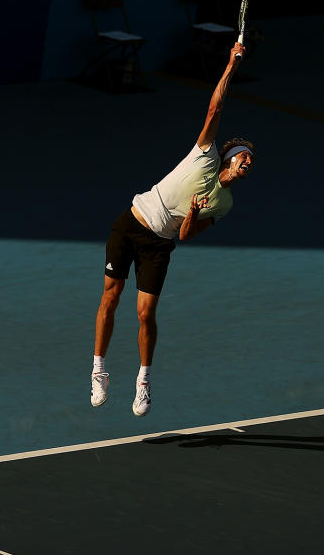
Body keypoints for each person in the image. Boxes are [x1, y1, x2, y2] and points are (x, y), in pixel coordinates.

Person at [90, 42, 255, 416]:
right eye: (244, 154)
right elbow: (216, 106)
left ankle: (143, 381)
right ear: (229, 158)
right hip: (132, 222)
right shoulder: (205, 153)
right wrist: (230, 63)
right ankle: (98, 370)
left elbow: (184, 236)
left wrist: (194, 215)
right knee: (109, 299)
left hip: (160, 245)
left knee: (145, 314)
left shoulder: (225, 204)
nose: (248, 159)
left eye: (251, 160)